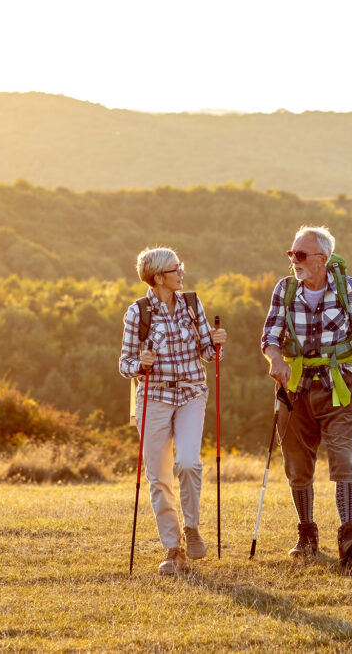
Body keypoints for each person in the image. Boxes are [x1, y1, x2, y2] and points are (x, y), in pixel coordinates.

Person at [260, 225, 352, 567]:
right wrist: (277, 360)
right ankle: (306, 533)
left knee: (343, 457)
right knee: (297, 465)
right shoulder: (284, 290)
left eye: (300, 255)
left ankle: (348, 534)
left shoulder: (348, 288)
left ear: (322, 259)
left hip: (338, 387)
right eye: (291, 254)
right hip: (294, 390)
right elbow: (270, 336)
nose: (293, 261)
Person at [120, 247, 227, 576]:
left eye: (180, 266)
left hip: (192, 393)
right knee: (158, 476)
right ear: (157, 278)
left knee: (188, 462)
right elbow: (125, 365)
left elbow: (209, 353)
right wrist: (141, 363)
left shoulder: (193, 304)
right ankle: (173, 549)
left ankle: (191, 529)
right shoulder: (138, 313)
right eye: (175, 268)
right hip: (154, 397)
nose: (182, 271)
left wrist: (216, 341)